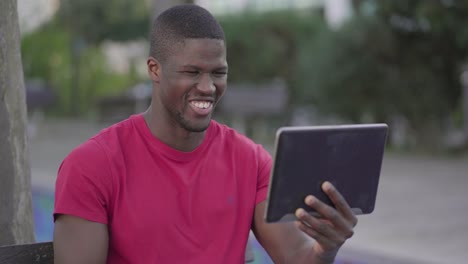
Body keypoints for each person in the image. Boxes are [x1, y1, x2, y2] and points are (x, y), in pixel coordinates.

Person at [53, 4, 357, 264]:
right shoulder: (93, 166)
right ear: (154, 69)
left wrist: (325, 248)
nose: (208, 87)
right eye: (192, 72)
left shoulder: (250, 161)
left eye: (218, 73)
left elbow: (297, 257)